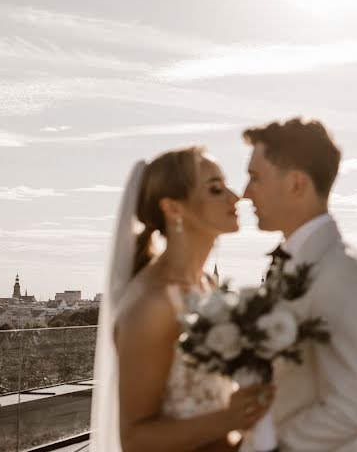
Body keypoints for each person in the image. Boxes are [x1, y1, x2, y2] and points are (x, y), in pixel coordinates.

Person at [90, 147, 273, 452]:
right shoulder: (153, 303)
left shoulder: (207, 285)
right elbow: (134, 439)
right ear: (174, 209)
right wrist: (231, 418)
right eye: (216, 189)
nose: (235, 196)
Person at [242, 119, 357, 452]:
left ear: (296, 184)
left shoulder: (343, 273)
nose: (245, 192)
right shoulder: (292, 261)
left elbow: (350, 409)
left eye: (255, 178)